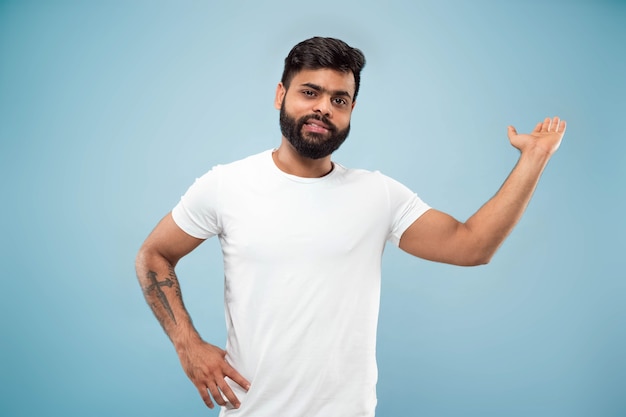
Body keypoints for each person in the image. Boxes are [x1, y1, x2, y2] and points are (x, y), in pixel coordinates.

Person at [135, 36, 566, 416]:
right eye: (310, 92)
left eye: (339, 99)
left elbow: (473, 246)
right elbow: (154, 254)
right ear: (280, 94)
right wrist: (187, 345)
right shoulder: (225, 185)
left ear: (352, 109)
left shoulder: (378, 195)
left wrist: (534, 158)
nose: (324, 107)